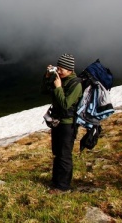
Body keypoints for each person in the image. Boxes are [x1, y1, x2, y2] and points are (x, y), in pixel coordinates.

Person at [41, 53, 83, 193]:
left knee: (64, 154)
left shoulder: (75, 84)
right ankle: (56, 181)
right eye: (57, 68)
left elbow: (65, 104)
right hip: (57, 122)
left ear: (69, 70)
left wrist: (58, 87)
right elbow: (44, 92)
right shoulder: (59, 78)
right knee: (57, 152)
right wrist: (47, 77)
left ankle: (63, 187)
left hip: (68, 124)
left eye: (61, 69)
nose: (58, 71)